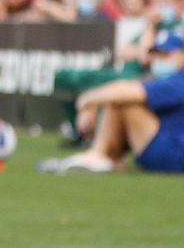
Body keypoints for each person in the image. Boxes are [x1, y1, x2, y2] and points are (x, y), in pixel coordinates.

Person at [39, 42, 184, 174]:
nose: (159, 60)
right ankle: (105, 157)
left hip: (175, 153)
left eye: (166, 55)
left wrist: (86, 101)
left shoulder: (179, 80)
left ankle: (99, 155)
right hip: (172, 148)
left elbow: (128, 91)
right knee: (120, 99)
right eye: (156, 55)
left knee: (121, 100)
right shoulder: (169, 79)